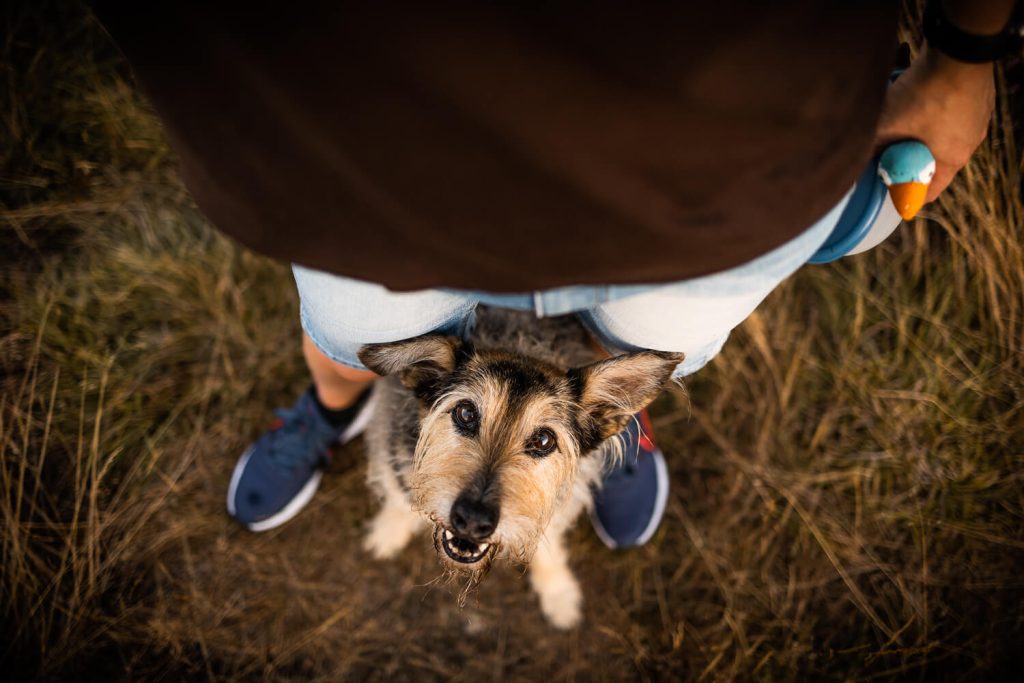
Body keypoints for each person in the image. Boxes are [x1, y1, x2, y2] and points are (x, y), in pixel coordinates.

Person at [92, 1, 1015, 545]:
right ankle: (333, 410)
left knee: (641, 356)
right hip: (362, 163)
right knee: (345, 335)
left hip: (717, 173)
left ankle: (601, 426)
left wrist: (964, 54)